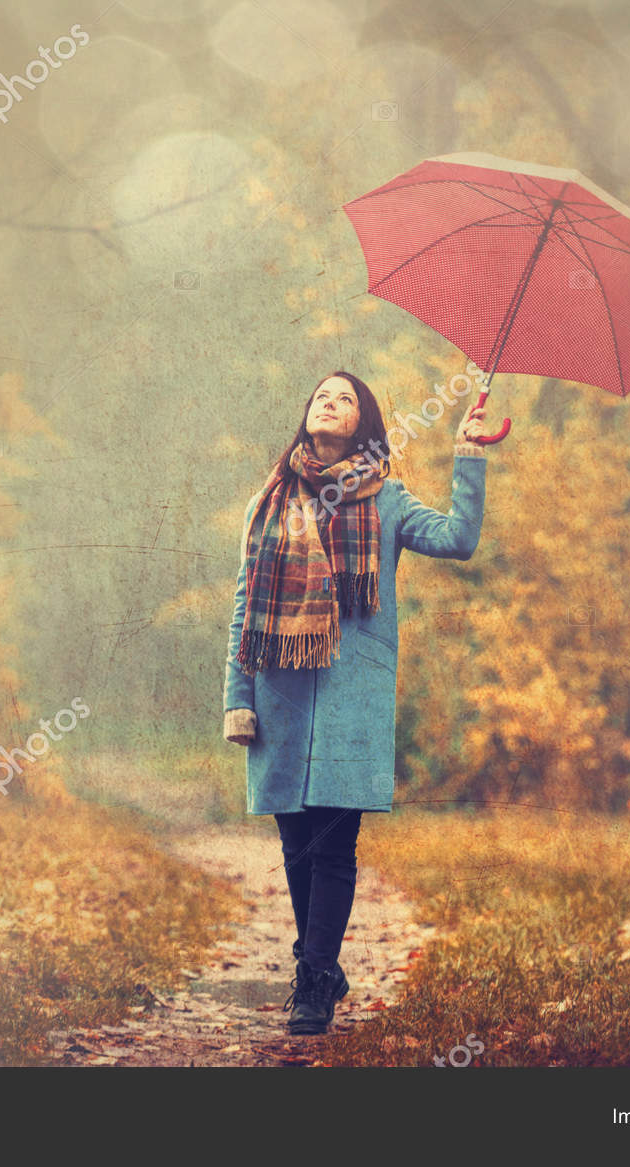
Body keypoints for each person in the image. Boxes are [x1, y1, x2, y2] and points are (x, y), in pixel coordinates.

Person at [222, 369, 492, 1035]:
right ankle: (318, 961)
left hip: (353, 697)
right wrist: (238, 698)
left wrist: (469, 454)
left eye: (344, 397)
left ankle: (313, 982)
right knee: (295, 846)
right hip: (280, 691)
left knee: (335, 843)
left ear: (363, 422)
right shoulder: (270, 500)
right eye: (321, 395)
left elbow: (460, 538)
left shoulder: (389, 501)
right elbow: (242, 608)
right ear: (306, 414)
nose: (329, 402)